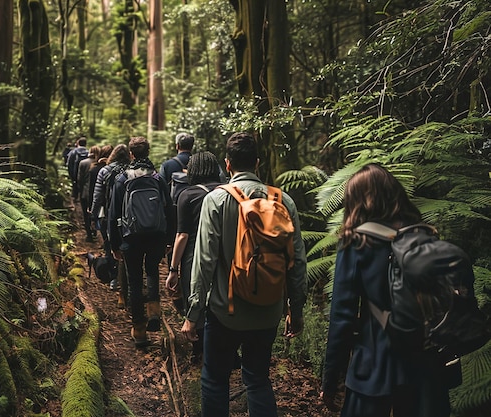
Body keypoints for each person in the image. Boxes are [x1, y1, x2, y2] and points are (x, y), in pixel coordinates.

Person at [181, 132, 307, 417]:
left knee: (215, 380)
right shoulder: (283, 200)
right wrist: (295, 309)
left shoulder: (215, 200)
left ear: (227, 164)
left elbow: (204, 261)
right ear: (258, 163)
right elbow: (297, 261)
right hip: (268, 311)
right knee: (258, 379)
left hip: (225, 310)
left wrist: (194, 312)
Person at [320, 163, 461, 417]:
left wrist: (330, 380)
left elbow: (342, 317)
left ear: (357, 202)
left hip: (375, 367)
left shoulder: (357, 242)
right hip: (426, 366)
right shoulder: (423, 236)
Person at [108, 136, 175, 347]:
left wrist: (114, 244)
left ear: (131, 154)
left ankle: (139, 330)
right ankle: (154, 310)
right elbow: (169, 209)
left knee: (135, 281)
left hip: (131, 237)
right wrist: (168, 238)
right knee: (152, 270)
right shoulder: (157, 178)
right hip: (155, 236)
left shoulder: (122, 179)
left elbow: (113, 213)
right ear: (148, 153)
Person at [165, 151, 224, 362]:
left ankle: (199, 351)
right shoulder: (227, 193)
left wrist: (173, 269)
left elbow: (182, 235)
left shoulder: (187, 195)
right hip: (225, 254)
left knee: (195, 299)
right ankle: (223, 349)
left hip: (193, 256)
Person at [90, 144, 130, 297]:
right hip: (129, 216)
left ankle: (114, 279)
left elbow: (98, 196)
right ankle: (128, 280)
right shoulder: (133, 170)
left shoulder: (104, 171)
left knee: (110, 246)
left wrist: (93, 214)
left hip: (109, 215)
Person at [78, 145, 99, 242]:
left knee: (86, 214)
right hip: (97, 193)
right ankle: (95, 231)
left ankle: (89, 235)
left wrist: (80, 190)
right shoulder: (99, 164)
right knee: (96, 213)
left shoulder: (83, 163)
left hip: (85, 193)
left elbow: (80, 179)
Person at [67, 136, 89, 202]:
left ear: (78, 143)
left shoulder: (73, 152)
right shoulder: (88, 152)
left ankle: (75, 198)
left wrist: (71, 175)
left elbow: (69, 164)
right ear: (85, 144)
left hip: (75, 174)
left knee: (75, 186)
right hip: (85, 175)